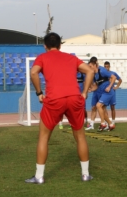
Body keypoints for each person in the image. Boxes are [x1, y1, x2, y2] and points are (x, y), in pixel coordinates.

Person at [25, 32, 94, 184]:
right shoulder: (71, 57)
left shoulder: (42, 57)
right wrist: (84, 93)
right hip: (74, 98)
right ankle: (85, 175)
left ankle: (39, 177)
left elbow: (33, 72)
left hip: (54, 99)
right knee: (80, 136)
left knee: (43, 137)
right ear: (60, 45)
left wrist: (39, 93)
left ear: (45, 46)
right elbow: (90, 70)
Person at [88, 58, 117, 132]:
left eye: (91, 66)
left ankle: (102, 123)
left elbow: (114, 77)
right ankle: (110, 124)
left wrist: (109, 86)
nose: (90, 68)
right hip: (102, 92)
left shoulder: (102, 70)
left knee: (98, 105)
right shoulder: (94, 75)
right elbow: (96, 86)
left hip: (108, 92)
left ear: (95, 65)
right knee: (102, 110)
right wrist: (90, 90)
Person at [104, 61, 122, 126]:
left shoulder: (113, 73)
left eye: (107, 66)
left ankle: (113, 121)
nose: (106, 68)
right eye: (105, 67)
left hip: (112, 92)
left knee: (112, 107)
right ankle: (106, 121)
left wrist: (116, 86)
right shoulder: (103, 74)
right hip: (105, 92)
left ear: (109, 66)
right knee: (104, 107)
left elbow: (120, 80)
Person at [85, 57, 100, 131]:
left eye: (91, 66)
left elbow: (103, 82)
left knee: (102, 108)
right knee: (93, 108)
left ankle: (107, 123)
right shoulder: (92, 73)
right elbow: (92, 82)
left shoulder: (100, 71)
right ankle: (92, 124)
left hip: (101, 92)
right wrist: (91, 87)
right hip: (95, 92)